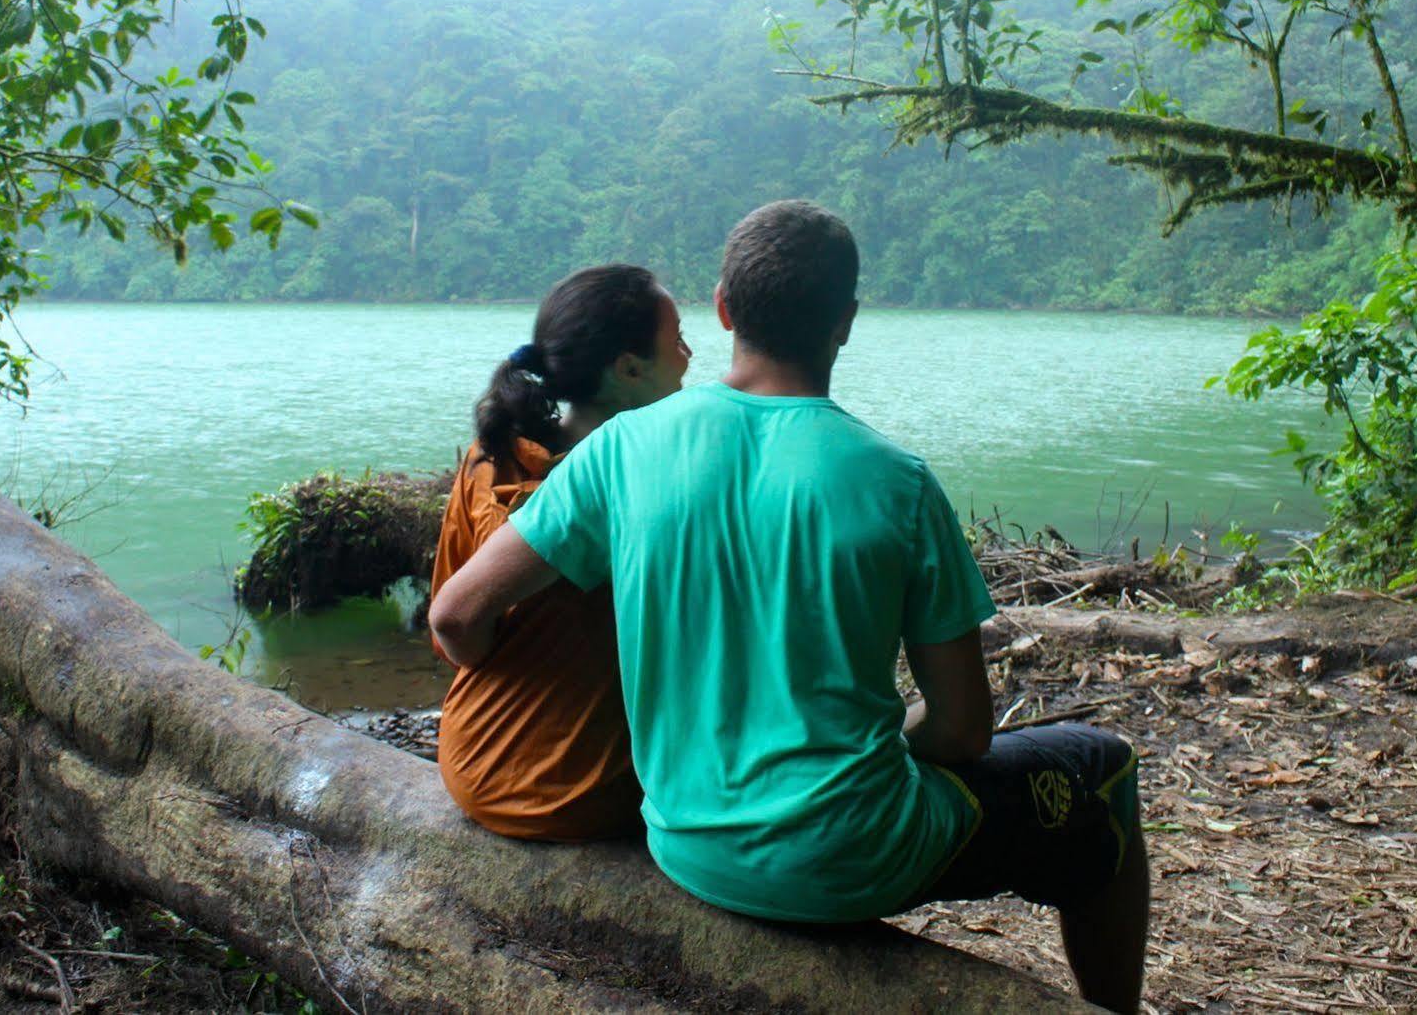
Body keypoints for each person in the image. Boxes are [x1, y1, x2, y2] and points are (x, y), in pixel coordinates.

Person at [430, 201, 1149, 1013]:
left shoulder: (618, 449)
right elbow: (961, 731)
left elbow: (456, 615)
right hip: (854, 858)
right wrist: (882, 749)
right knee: (1101, 766)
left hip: (685, 845)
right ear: (844, 322)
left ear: (726, 309)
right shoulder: (898, 481)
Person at [428, 263, 690, 841]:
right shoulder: (643, 479)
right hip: (579, 789)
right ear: (627, 369)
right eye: (677, 341)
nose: (689, 355)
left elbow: (452, 633)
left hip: (471, 757)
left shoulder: (491, 457)